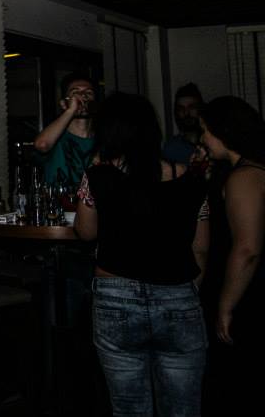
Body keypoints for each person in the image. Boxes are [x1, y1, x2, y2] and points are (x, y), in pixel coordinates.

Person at [73, 92, 209, 417]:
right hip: (178, 294)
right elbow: (201, 247)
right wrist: (189, 293)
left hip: (115, 296)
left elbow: (85, 232)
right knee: (183, 409)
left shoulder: (98, 176)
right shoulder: (192, 179)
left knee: (129, 409)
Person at [198, 96, 265, 416]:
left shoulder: (245, 176)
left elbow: (246, 248)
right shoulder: (243, 171)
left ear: (223, 131)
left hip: (247, 293)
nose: (202, 138)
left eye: (205, 130)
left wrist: (226, 305)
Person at [35, 72, 97, 187]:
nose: (83, 96)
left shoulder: (103, 139)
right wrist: (71, 110)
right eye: (75, 93)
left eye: (89, 93)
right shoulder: (56, 137)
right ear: (63, 104)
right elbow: (42, 144)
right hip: (58, 198)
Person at [162, 83, 204, 164]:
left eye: (191, 107)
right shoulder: (171, 149)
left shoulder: (213, 144)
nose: (186, 113)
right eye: (181, 109)